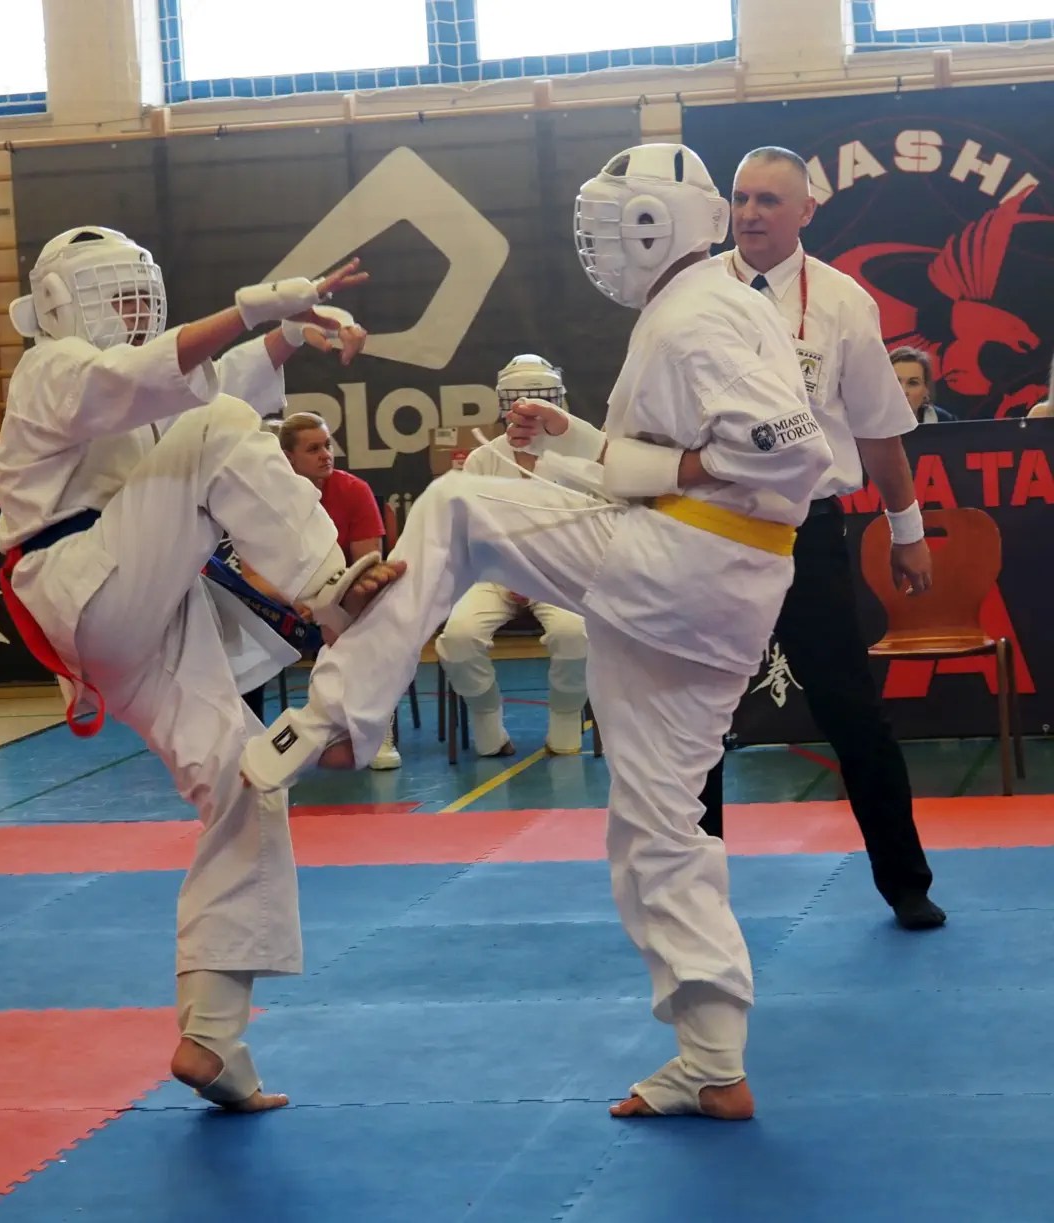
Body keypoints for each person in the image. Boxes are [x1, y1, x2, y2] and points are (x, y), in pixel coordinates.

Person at [241, 144, 835, 1121]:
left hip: (682, 561)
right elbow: (687, 459)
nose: (597, 244)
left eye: (610, 224)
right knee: (659, 824)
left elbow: (789, 452)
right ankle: (712, 1058)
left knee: (458, 507)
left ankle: (337, 717)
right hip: (721, 594)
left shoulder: (697, 312)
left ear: (654, 225)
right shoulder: (718, 305)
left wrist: (647, 471)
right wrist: (580, 450)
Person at [0, 225, 404, 1113]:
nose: (132, 308)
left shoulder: (147, 388)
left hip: (140, 606)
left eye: (138, 291)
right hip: (82, 582)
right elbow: (153, 383)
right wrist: (258, 304)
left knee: (246, 779)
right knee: (219, 430)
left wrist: (287, 334)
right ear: (59, 304)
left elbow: (208, 382)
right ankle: (329, 590)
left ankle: (213, 1038)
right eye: (112, 293)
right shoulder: (50, 368)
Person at [702, 146, 945, 932]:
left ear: (806, 211)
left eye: (769, 200)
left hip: (806, 531)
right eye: (741, 198)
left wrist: (907, 530)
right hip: (709, 528)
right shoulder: (692, 294)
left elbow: (878, 430)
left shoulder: (841, 301)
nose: (749, 214)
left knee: (851, 711)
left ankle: (906, 883)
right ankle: (692, 894)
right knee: (696, 716)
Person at [436, 354, 589, 756]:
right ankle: (487, 720)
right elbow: (469, 530)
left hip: (560, 576)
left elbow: (590, 529)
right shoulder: (483, 459)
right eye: (520, 401)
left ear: (557, 402)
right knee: (458, 638)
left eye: (540, 400)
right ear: (505, 405)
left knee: (575, 634)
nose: (529, 410)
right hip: (494, 575)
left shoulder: (580, 457)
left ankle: (566, 717)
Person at [239, 411, 401, 769]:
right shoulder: (262, 504)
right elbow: (252, 577)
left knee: (370, 620)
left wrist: (328, 604)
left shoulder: (354, 491)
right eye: (313, 449)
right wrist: (299, 600)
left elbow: (367, 566)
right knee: (242, 634)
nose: (326, 455)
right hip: (287, 607)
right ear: (287, 458)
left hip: (344, 602)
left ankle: (374, 730)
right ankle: (245, 740)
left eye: (327, 445)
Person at [890, 346, 955, 423]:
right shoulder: (875, 422)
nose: (903, 392)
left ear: (926, 390)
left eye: (913, 383)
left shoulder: (946, 422)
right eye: (895, 382)